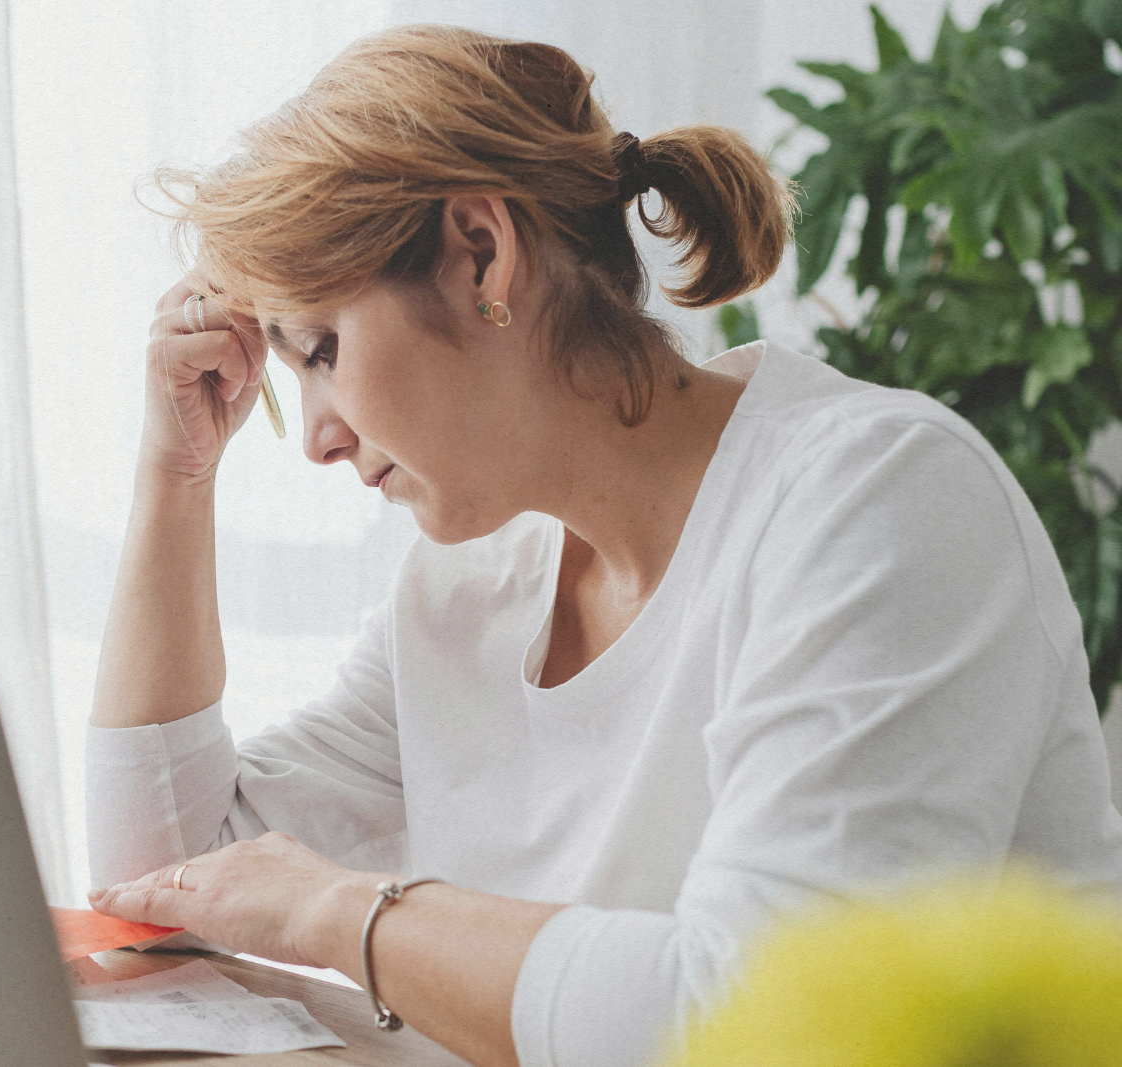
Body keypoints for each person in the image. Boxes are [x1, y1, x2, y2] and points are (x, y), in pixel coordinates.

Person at [83, 22, 1122, 1067]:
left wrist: (338, 912)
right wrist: (175, 474)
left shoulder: (881, 498)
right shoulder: (468, 584)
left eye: (321, 349)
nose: (314, 435)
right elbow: (166, 882)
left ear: (480, 253)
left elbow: (765, 1023)